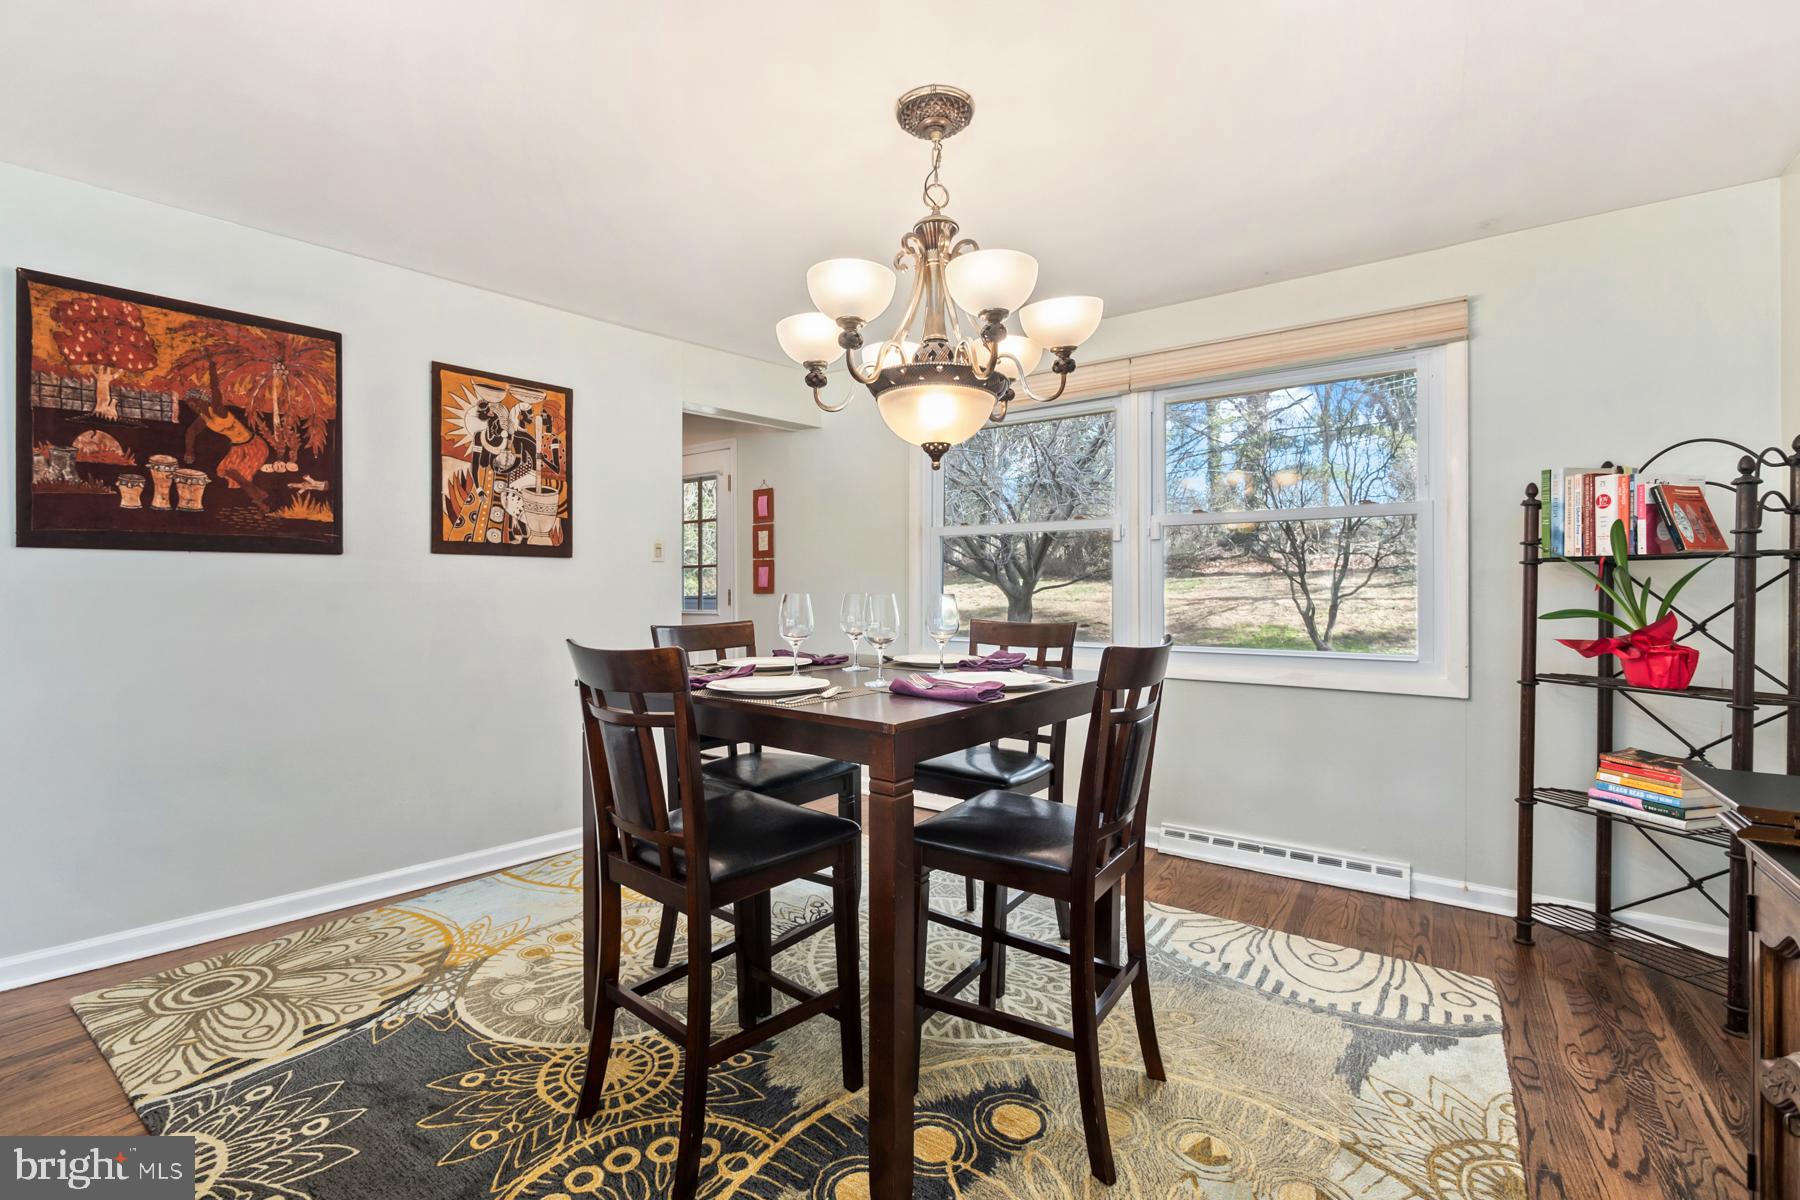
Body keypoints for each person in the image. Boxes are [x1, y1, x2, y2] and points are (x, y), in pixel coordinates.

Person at [181, 389, 272, 511]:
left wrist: (213, 376)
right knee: (230, 473)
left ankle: (260, 502)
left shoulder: (218, 410)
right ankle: (259, 496)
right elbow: (191, 431)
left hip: (253, 446)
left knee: (239, 477)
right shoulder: (203, 418)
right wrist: (189, 451)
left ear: (203, 400)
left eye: (195, 403)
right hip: (237, 449)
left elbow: (216, 392)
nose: (194, 407)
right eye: (190, 406)